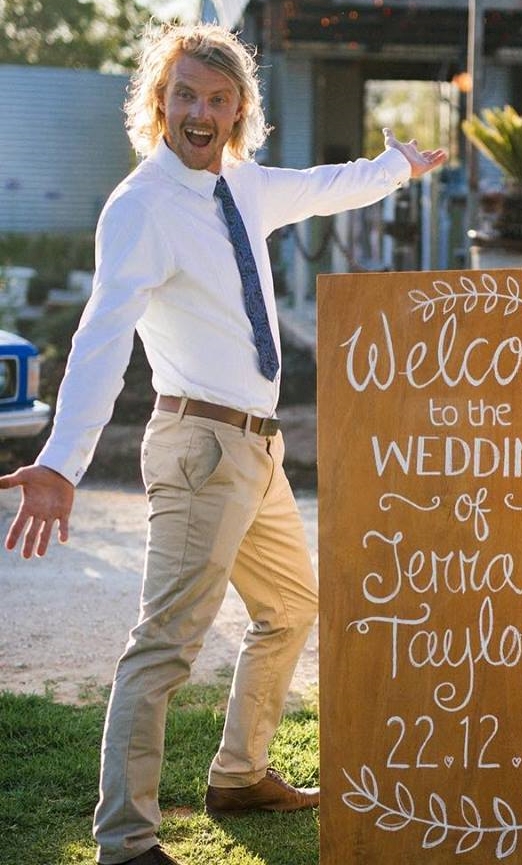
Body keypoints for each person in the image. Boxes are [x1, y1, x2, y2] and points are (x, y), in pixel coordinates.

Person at [0, 22, 445, 865]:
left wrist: (394, 167)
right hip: (199, 444)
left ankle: (239, 775)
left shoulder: (243, 187)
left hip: (255, 448)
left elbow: (322, 186)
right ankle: (125, 841)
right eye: (185, 96)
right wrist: (61, 461)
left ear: (239, 109)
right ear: (158, 102)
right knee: (165, 644)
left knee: (291, 607)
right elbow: (102, 339)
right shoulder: (141, 207)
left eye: (217, 98)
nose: (200, 114)